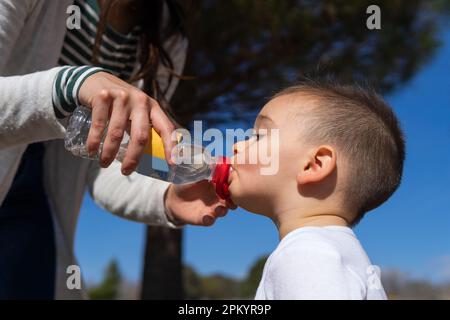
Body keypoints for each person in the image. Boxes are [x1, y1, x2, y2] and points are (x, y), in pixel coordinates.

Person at [0, 0, 231, 299]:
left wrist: (165, 198)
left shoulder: (166, 37)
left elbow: (108, 161)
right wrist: (71, 86)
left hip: (33, 200)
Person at [227, 77, 405, 299]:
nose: (237, 145)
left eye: (258, 136)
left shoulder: (306, 254)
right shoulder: (340, 253)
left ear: (314, 165)